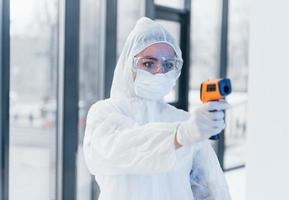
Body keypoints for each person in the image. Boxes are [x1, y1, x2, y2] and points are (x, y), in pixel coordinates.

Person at [83, 17, 232, 200]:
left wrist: (190, 131)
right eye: (148, 63)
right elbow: (123, 148)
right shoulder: (105, 113)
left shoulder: (186, 122)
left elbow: (210, 189)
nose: (160, 72)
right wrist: (179, 136)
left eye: (168, 65)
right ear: (128, 64)